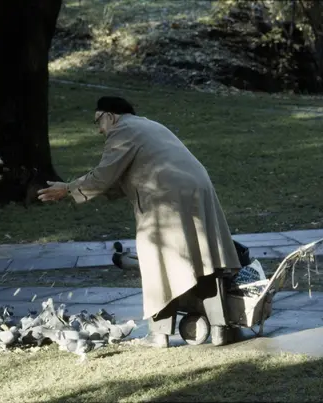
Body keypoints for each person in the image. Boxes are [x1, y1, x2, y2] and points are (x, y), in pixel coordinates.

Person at [37, 96, 241, 348]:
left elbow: (103, 176)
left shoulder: (122, 130)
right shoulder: (146, 125)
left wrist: (68, 189)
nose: (99, 130)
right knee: (205, 259)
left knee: (157, 261)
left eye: (98, 121)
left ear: (110, 115)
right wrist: (79, 190)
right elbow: (121, 179)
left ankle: (159, 334)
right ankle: (221, 330)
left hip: (168, 197)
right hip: (197, 189)